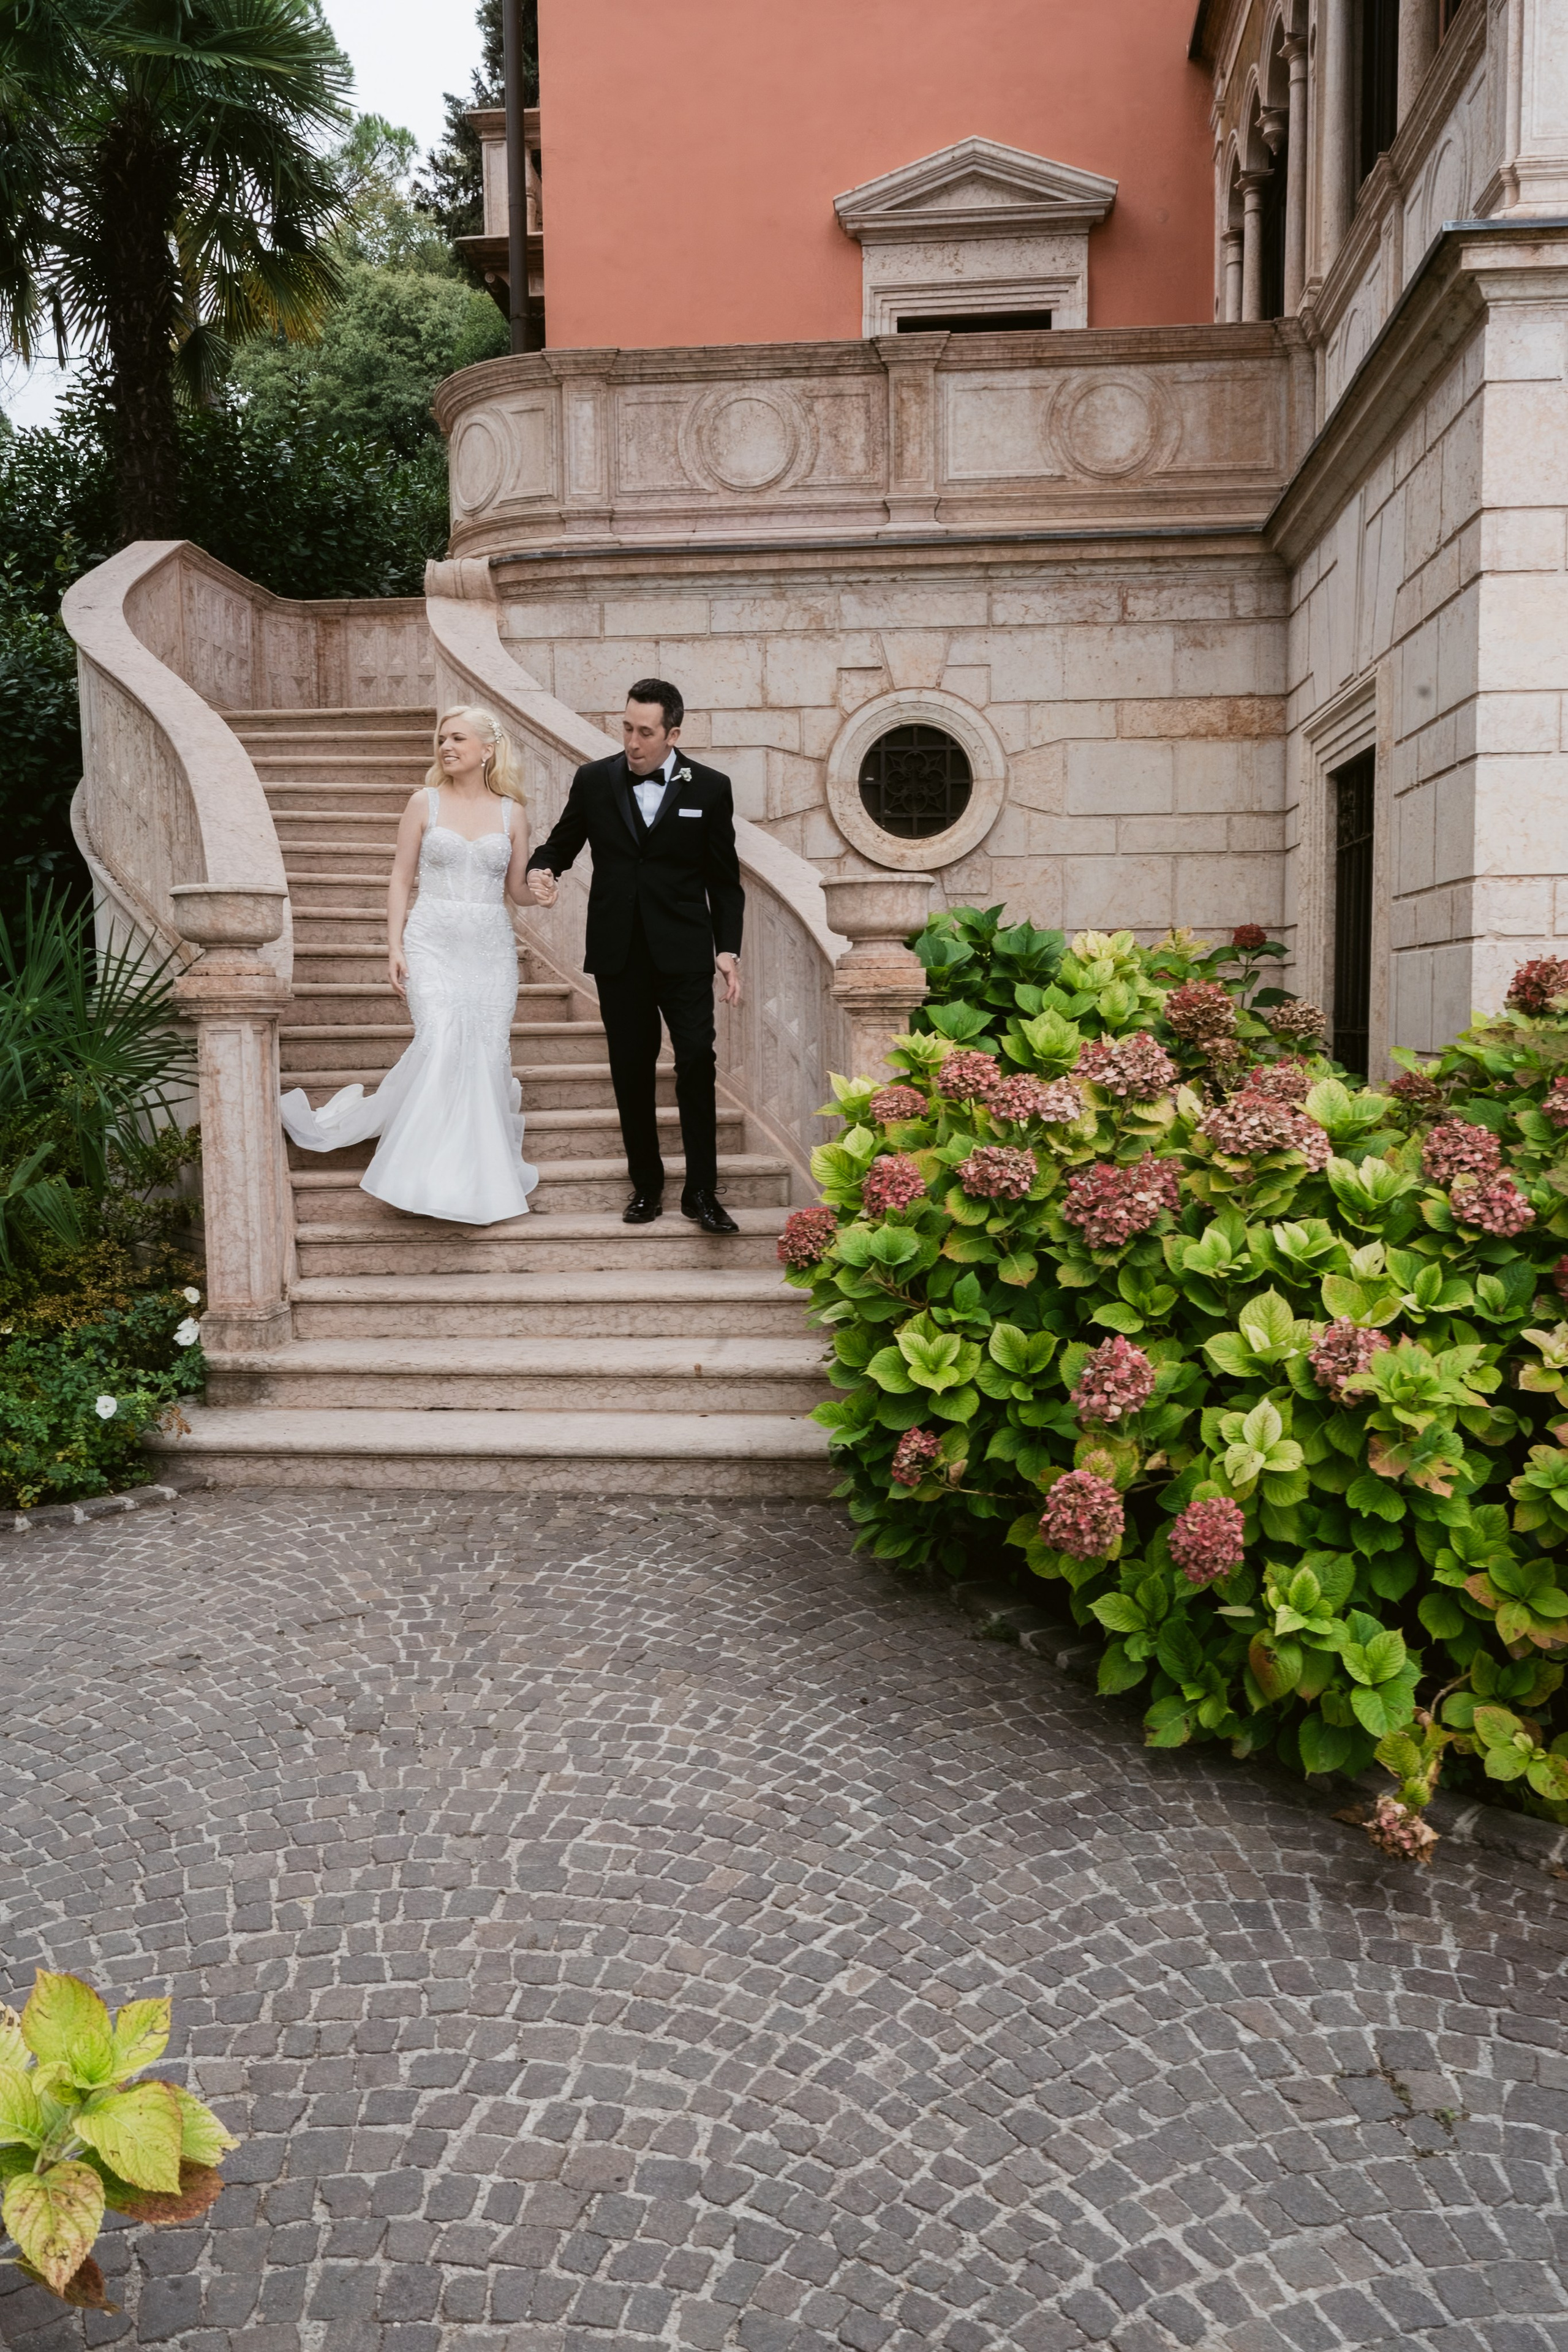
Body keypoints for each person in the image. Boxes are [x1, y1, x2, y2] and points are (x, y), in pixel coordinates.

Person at [279, 706, 540, 1225]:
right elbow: (400, 877)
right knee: (442, 1041)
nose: (446, 747)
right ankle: (420, 1177)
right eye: (442, 739)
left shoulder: (512, 813)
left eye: (458, 739)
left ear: (487, 750)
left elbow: (517, 890)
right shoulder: (424, 803)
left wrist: (542, 894)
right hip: (432, 941)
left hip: (490, 948)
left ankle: (476, 1180)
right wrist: (394, 945)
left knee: (485, 1055)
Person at [526, 678, 744, 1234]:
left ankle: (702, 1193)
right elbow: (561, 844)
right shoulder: (594, 780)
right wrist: (541, 869)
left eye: (645, 732)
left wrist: (728, 950)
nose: (632, 742)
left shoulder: (711, 788)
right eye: (626, 728)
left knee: (696, 1059)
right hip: (619, 953)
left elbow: (725, 881)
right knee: (631, 1069)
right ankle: (646, 1186)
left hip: (685, 953)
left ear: (673, 733)